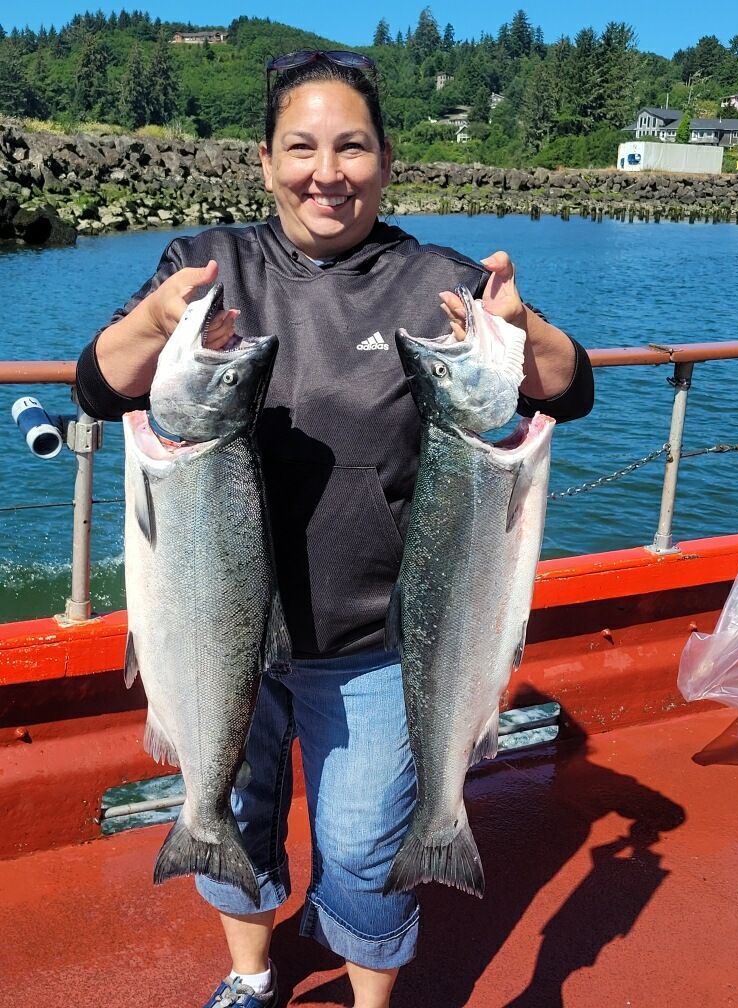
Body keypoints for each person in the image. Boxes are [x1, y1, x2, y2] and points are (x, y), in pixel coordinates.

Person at [76, 51, 593, 1008]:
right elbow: (99, 384)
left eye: (352, 147)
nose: (328, 171)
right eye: (301, 147)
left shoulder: (440, 279)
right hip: (215, 625)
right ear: (266, 162)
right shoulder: (204, 267)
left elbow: (574, 388)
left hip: (378, 638)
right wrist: (158, 317)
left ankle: (367, 999)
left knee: (362, 844)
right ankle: (251, 974)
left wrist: (522, 335)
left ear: (387, 161)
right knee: (229, 804)